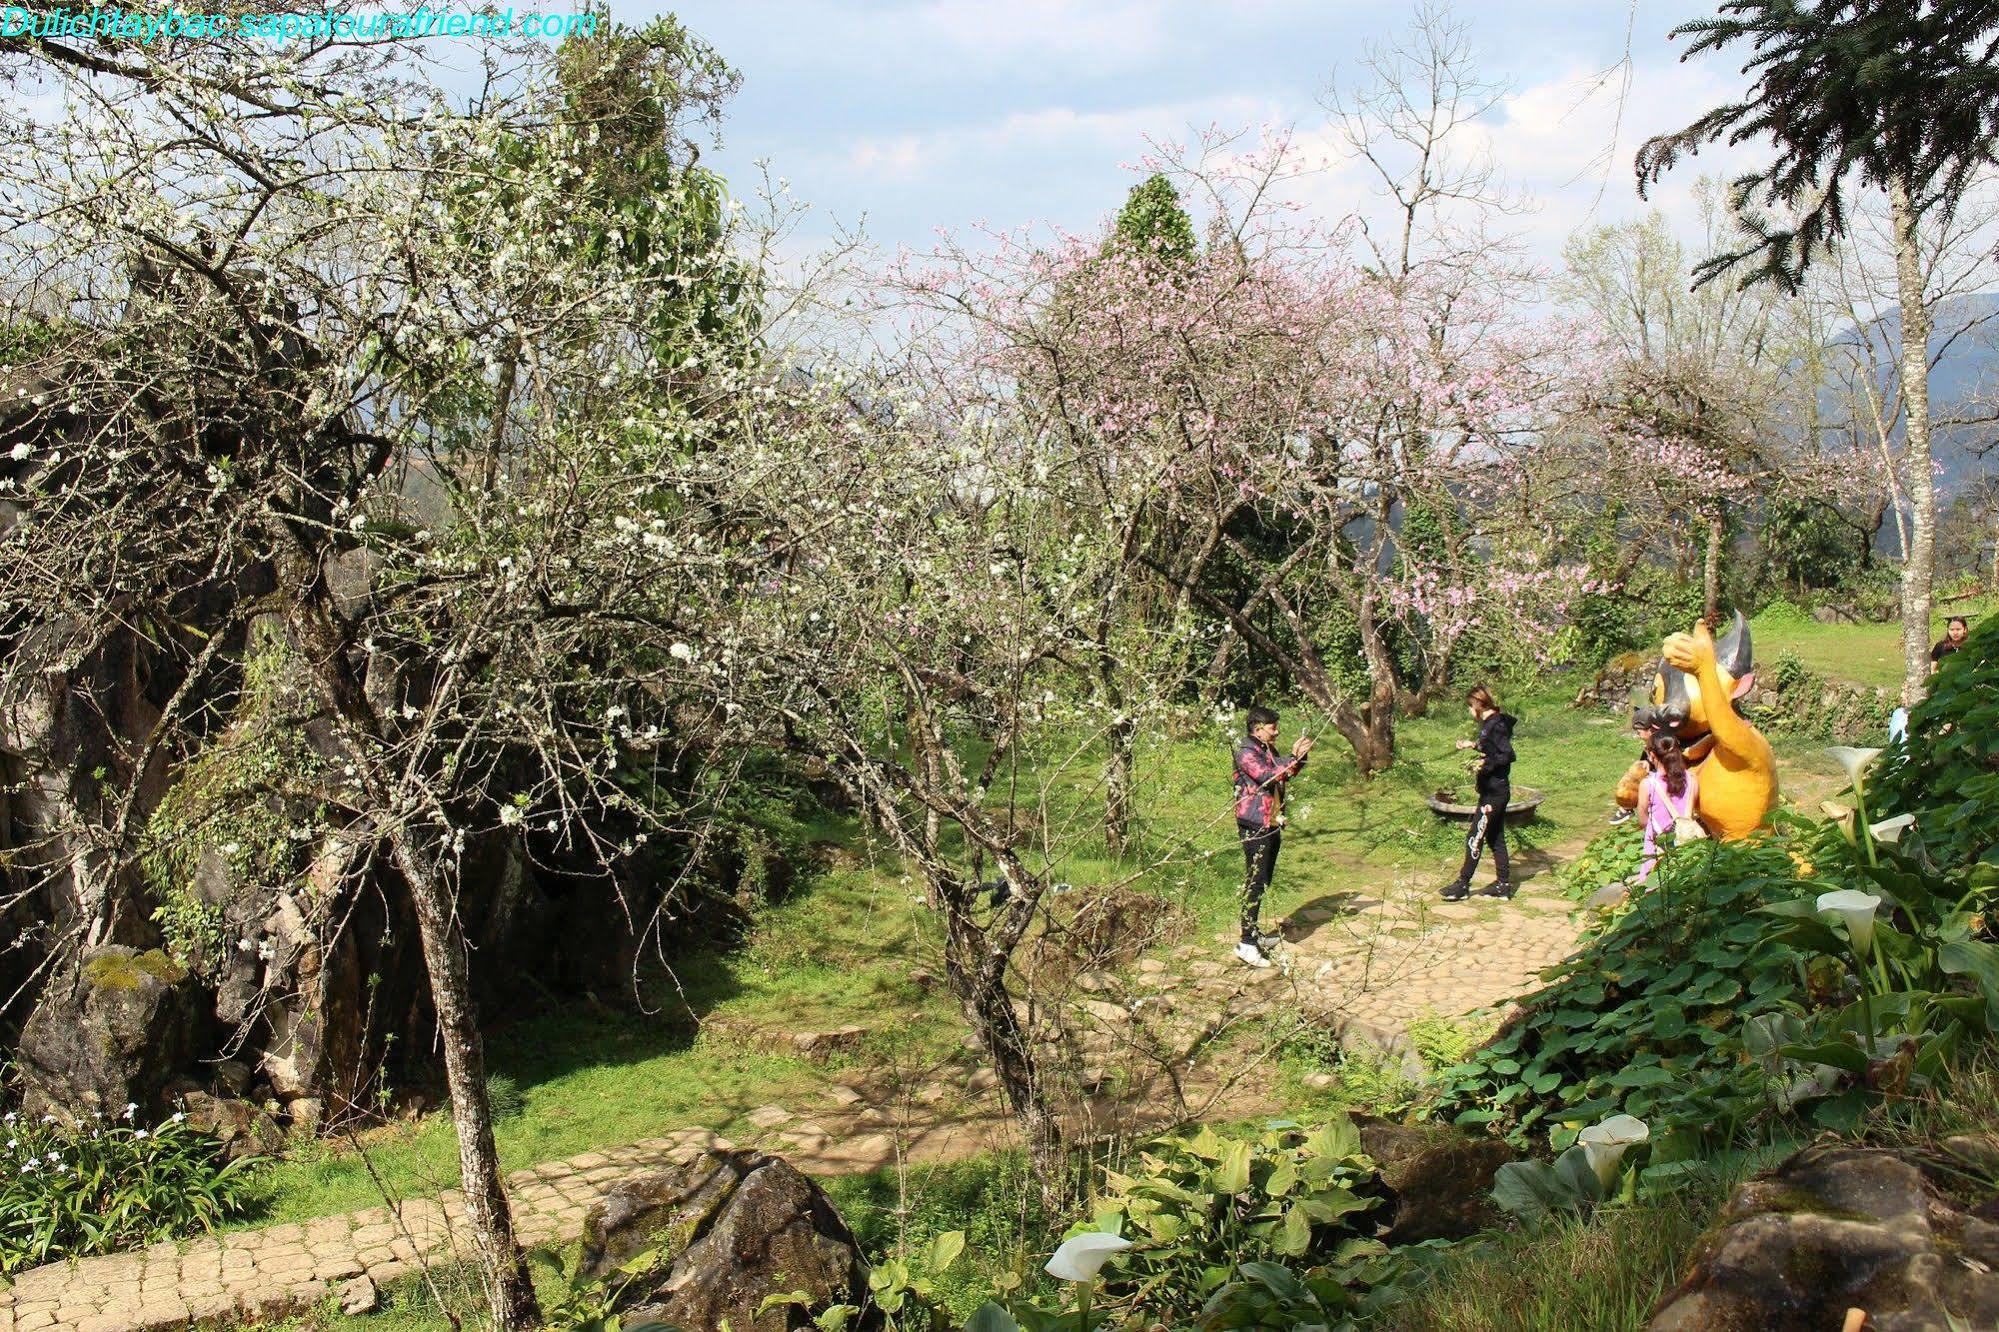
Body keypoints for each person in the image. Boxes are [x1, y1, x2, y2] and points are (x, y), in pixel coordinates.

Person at [1232, 706, 1313, 968]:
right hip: (1254, 823)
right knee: (1255, 881)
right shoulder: (1246, 751)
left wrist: (1299, 758)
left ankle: (1253, 934)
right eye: (1273, 727)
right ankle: (1245, 942)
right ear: (1258, 729)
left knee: (1263, 879)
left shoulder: (1267, 749)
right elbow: (1269, 776)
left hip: (1271, 821)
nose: (1277, 731)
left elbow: (1284, 771)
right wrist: (1294, 757)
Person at [1442, 686, 1516, 901]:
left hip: (1494, 792)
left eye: (1469, 706)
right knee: (1495, 838)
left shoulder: (1496, 724)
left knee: (1474, 836)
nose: (1468, 711)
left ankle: (1463, 885)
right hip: (1493, 790)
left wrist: (1485, 765)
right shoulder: (1491, 724)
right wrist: (1473, 746)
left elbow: (1507, 755)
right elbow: (1492, 748)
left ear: (1477, 704)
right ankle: (1503, 885)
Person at [1634, 731, 1700, 886]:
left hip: (1658, 854)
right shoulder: (1692, 779)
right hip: (1688, 851)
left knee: (1657, 899)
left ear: (1651, 755)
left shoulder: (1648, 784)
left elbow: (1643, 821)